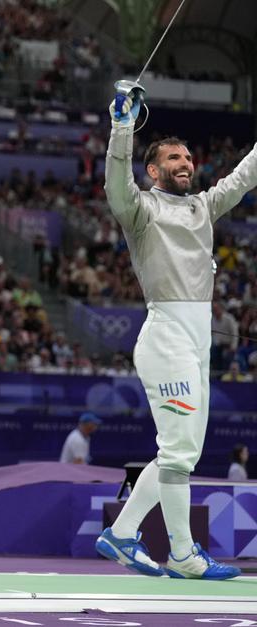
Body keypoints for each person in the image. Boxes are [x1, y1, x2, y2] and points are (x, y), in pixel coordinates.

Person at [95, 85, 247, 580]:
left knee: (180, 453)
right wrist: (122, 127)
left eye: (187, 157)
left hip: (196, 344)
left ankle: (121, 534)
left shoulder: (204, 207)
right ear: (154, 171)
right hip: (166, 339)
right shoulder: (140, 210)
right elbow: (116, 185)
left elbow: (244, 177)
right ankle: (182, 554)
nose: (184, 162)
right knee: (179, 452)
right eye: (172, 158)